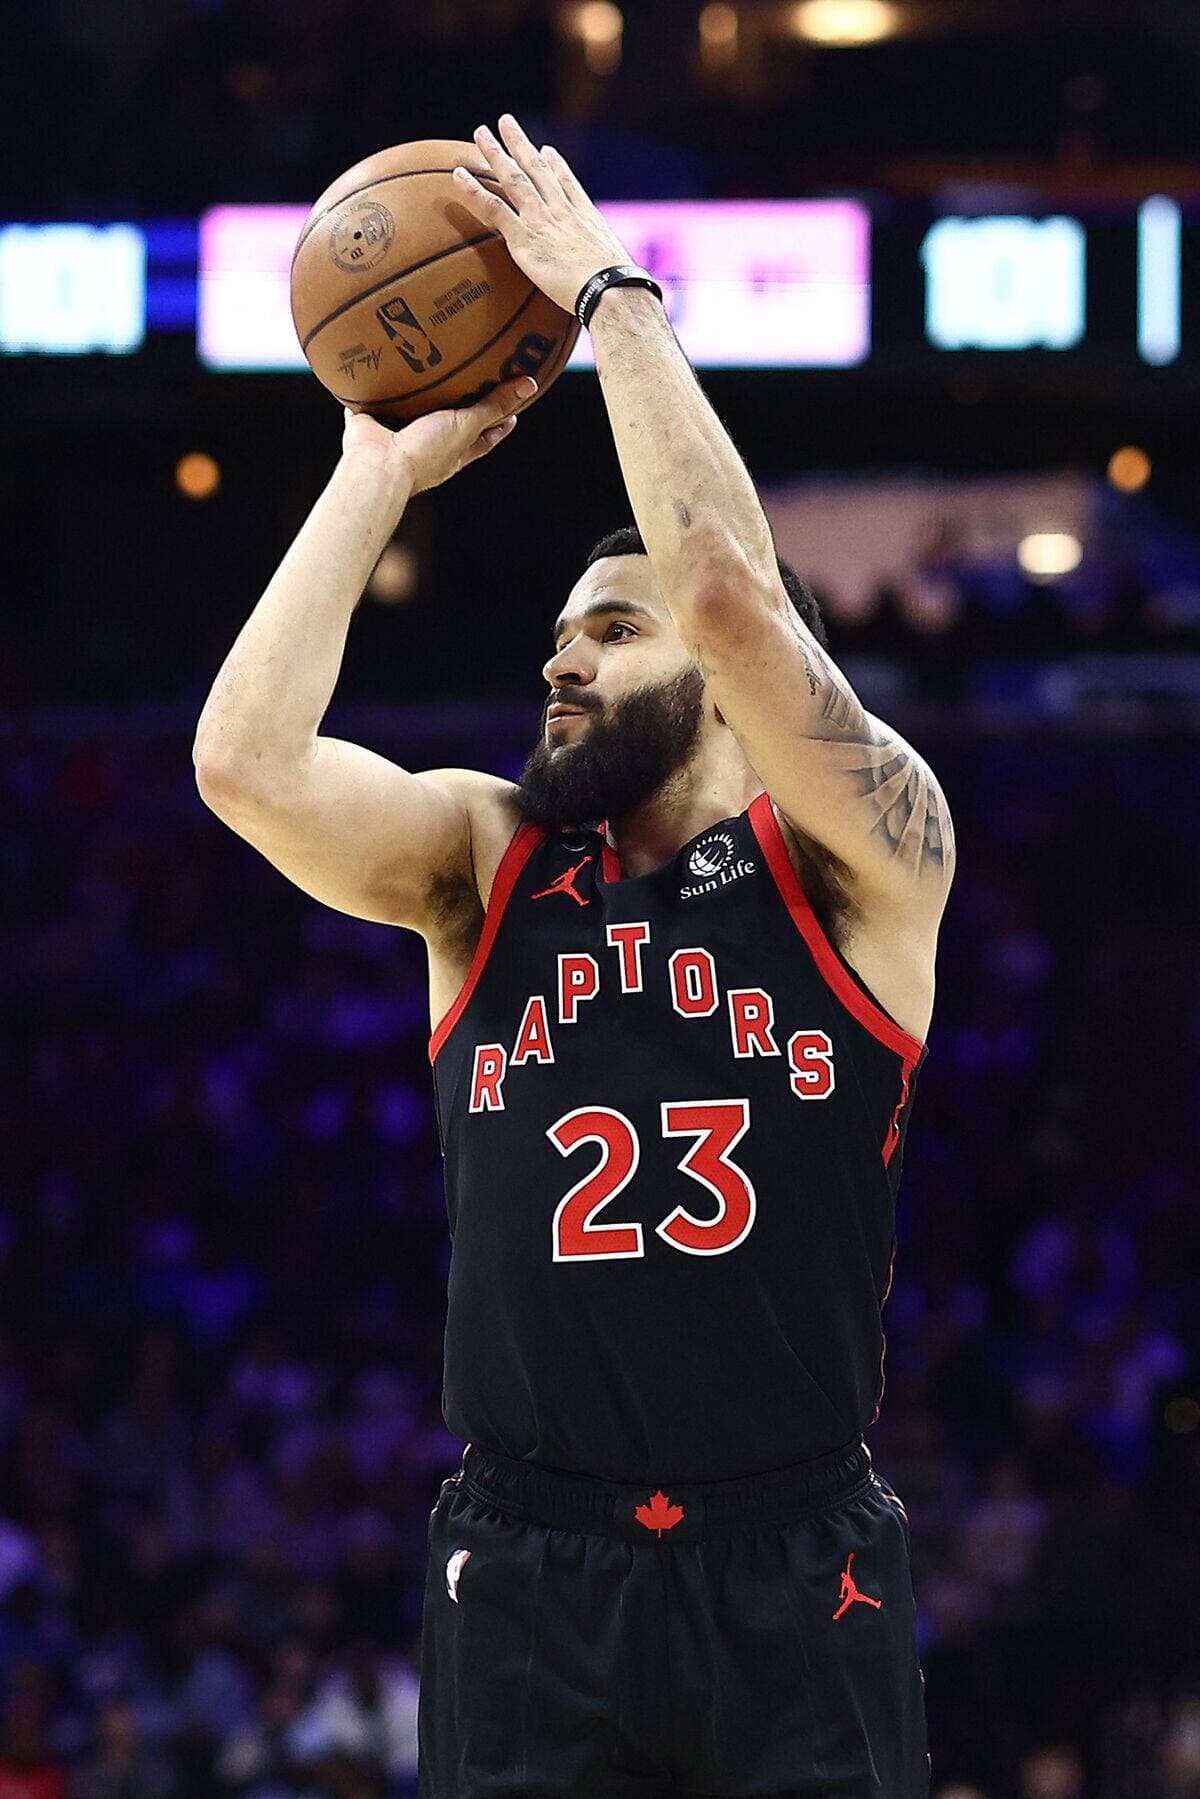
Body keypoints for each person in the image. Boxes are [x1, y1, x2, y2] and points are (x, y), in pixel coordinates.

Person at [194, 113, 954, 1798]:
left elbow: (732, 596)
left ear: (729, 690)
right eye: (557, 637)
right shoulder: (488, 859)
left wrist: (616, 299)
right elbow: (243, 766)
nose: (563, 664)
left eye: (612, 632)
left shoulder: (862, 857)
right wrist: (373, 471)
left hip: (795, 1556)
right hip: (532, 1559)